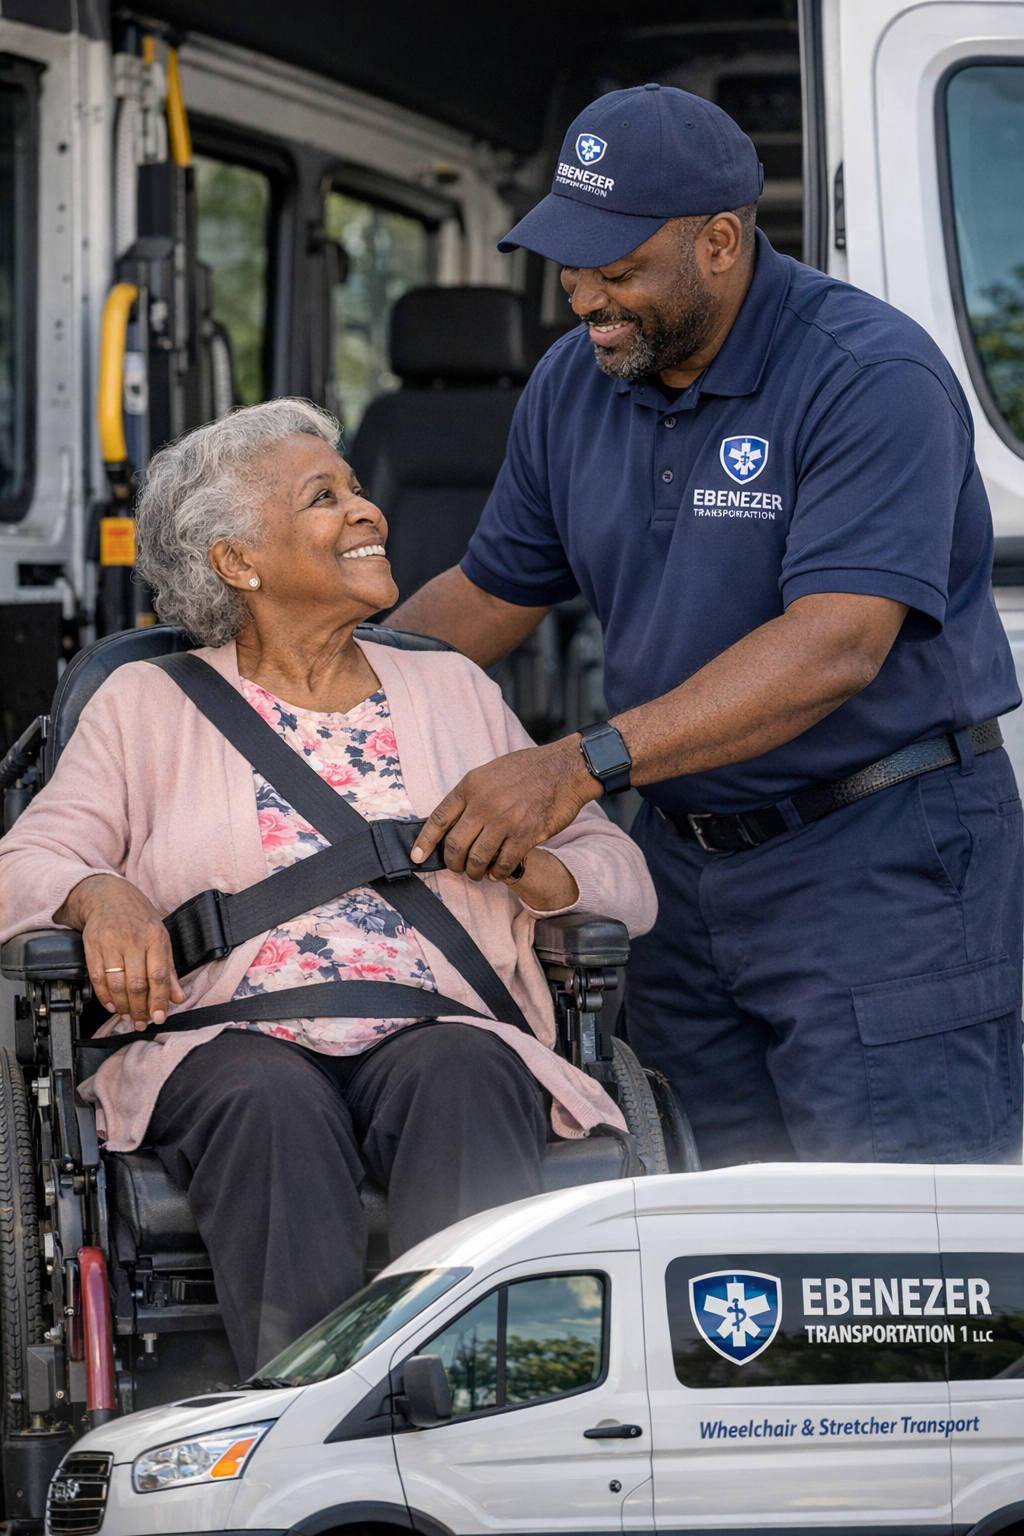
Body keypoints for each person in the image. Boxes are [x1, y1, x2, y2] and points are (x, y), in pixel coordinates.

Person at [392, 84, 1024, 1170]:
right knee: (708, 1248)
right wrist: (278, 693)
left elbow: (835, 642)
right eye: (568, 261)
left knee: (894, 1266)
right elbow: (491, 595)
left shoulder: (867, 376)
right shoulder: (571, 383)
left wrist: (577, 767)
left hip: (879, 867)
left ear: (721, 242)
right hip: (680, 879)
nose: (583, 295)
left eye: (618, 267)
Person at [0, 398, 656, 1378]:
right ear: (238, 560)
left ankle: (476, 1403)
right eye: (325, 497)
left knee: (465, 1076)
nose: (368, 514)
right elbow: (26, 861)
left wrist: (532, 862)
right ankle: (307, 1426)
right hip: (221, 1038)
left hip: (443, 1025)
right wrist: (104, 896)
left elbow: (620, 879)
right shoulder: (146, 703)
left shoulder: (454, 692)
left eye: (357, 491)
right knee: (266, 1099)